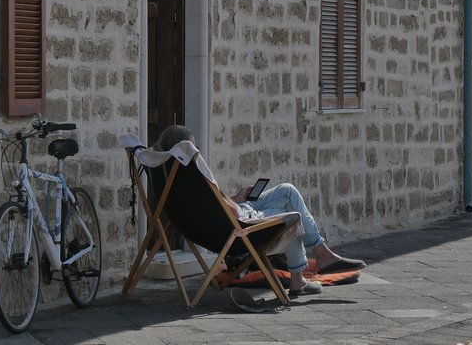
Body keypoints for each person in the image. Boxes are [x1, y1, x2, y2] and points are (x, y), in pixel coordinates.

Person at [154, 125, 366, 296]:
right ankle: (303, 275)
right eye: (194, 146)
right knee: (291, 215)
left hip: (231, 215)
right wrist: (235, 205)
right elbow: (234, 215)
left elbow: (217, 208)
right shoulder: (195, 175)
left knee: (287, 191)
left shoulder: (173, 178)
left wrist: (236, 198)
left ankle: (320, 255)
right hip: (238, 225)